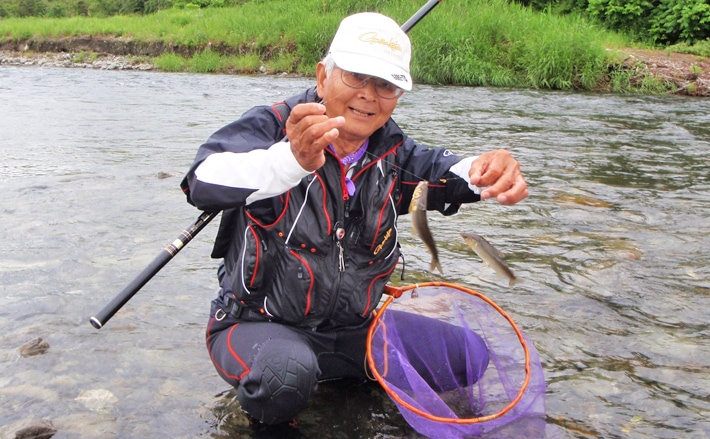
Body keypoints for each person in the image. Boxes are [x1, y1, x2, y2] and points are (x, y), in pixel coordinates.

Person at [181, 12, 528, 425]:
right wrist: (289, 160)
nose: (369, 94)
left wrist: (485, 170)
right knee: (284, 377)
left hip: (353, 332)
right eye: (356, 76)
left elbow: (443, 172)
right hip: (257, 326)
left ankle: (347, 389)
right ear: (322, 75)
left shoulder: (392, 151)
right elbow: (200, 180)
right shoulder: (272, 126)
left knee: (467, 356)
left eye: (386, 85)